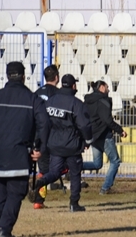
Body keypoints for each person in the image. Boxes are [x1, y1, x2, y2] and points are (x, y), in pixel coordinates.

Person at [0, 61, 50, 237]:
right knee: (16, 190)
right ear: (24, 77)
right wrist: (40, 148)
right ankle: (4, 229)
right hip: (19, 153)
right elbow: (44, 124)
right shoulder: (33, 99)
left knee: (2, 185)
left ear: (7, 75)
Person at [31, 74, 93, 212]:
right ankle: (73, 204)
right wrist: (88, 140)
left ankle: (42, 181)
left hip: (54, 145)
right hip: (72, 146)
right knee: (75, 174)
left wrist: (40, 141)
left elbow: (42, 122)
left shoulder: (51, 101)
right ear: (73, 86)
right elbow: (84, 125)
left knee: (54, 172)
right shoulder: (76, 104)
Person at [82, 80, 128, 195]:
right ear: (101, 87)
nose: (108, 90)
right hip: (104, 136)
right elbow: (108, 120)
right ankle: (105, 188)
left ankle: (75, 167)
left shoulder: (87, 101)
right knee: (115, 161)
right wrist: (120, 130)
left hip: (93, 136)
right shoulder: (103, 101)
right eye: (107, 87)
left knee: (97, 164)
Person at [32, 65, 59, 209]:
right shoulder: (59, 94)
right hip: (54, 136)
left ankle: (38, 201)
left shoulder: (35, 93)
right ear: (57, 77)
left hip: (38, 136)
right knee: (60, 166)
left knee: (43, 169)